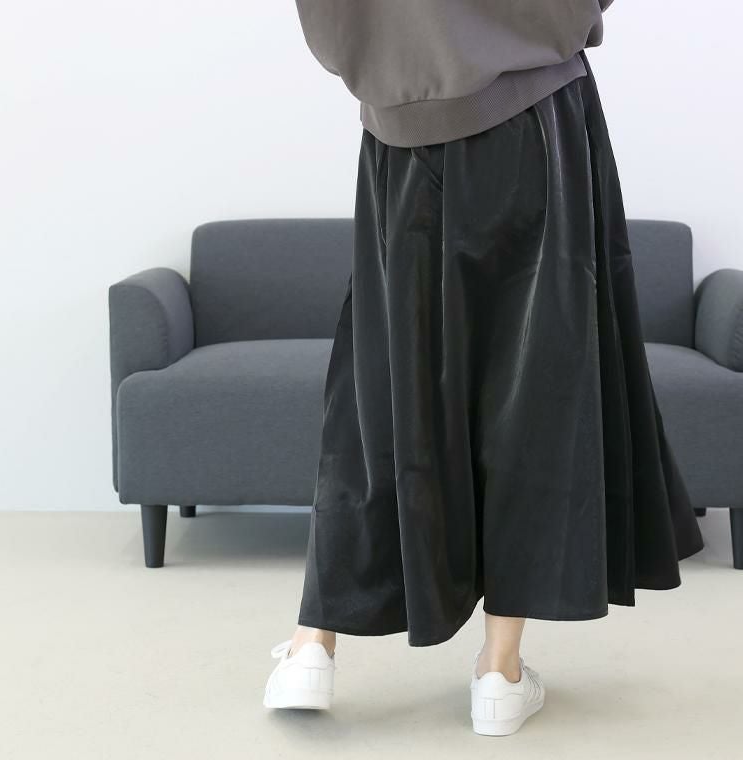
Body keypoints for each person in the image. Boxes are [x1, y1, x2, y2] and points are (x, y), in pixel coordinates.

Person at [263, 0, 704, 735]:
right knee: (531, 381)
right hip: (534, 114)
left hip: (399, 129)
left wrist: (391, 56)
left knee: (381, 382)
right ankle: (499, 673)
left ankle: (313, 646)